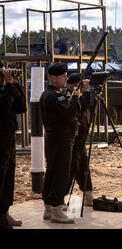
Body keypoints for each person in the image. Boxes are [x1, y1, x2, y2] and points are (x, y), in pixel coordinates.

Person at [39, 63, 80, 224]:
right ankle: (56, 208)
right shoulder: (54, 96)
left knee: (52, 171)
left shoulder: (51, 94)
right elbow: (69, 113)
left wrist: (69, 94)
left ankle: (49, 206)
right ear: (53, 78)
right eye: (63, 76)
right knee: (61, 172)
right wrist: (76, 99)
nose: (66, 78)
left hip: (54, 138)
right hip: (60, 139)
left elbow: (64, 106)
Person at [0, 62, 26, 229]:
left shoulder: (6, 90)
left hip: (8, 138)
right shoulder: (3, 94)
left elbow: (21, 107)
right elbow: (3, 107)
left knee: (8, 176)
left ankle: (4, 213)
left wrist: (15, 84)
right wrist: (9, 85)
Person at [65, 73, 95, 206]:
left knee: (83, 166)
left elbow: (87, 105)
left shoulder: (78, 96)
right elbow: (81, 107)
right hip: (73, 139)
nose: (83, 87)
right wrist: (87, 91)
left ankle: (88, 194)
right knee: (72, 167)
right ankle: (60, 198)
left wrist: (86, 93)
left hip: (81, 138)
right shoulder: (66, 97)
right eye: (80, 84)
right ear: (73, 85)